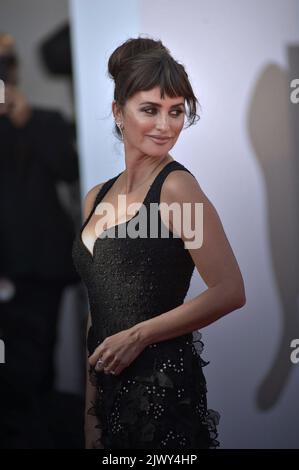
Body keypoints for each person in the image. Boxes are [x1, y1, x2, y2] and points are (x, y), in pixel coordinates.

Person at [72, 36, 246, 449]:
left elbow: (229, 291)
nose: (165, 126)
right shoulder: (95, 197)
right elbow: (98, 310)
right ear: (118, 112)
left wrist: (139, 335)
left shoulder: (177, 188)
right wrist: (89, 412)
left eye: (176, 112)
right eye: (150, 110)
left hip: (162, 392)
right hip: (109, 395)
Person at [0, 33, 80, 448]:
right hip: (4, 265)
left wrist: (26, 120)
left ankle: (36, 433)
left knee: (38, 357)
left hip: (41, 267)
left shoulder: (44, 120)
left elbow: (69, 170)